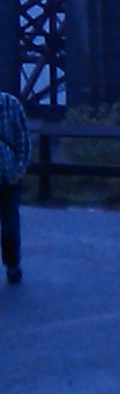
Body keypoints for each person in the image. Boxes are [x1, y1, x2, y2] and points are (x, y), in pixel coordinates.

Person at [0, 88, 30, 285]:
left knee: (10, 225)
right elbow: (23, 140)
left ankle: (12, 264)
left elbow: (23, 140)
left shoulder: (12, 104)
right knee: (10, 221)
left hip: (8, 175)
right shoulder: (11, 103)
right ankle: (12, 265)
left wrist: (20, 168)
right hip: (9, 173)